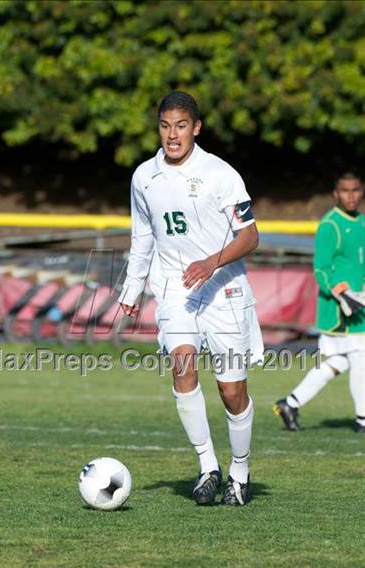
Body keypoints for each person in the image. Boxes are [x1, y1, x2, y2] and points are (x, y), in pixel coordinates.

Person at [119, 91, 263, 506]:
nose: (172, 135)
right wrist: (132, 288)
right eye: (165, 126)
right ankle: (207, 467)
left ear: (196, 128)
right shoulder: (144, 177)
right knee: (182, 367)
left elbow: (250, 236)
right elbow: (142, 236)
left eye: (181, 126)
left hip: (225, 291)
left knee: (231, 391)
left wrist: (211, 262)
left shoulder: (221, 174)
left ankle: (239, 471)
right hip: (175, 289)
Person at [273, 173, 365, 433]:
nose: (350, 195)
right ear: (335, 193)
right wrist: (339, 290)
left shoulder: (361, 223)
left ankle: (290, 403)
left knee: (338, 363)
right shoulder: (330, 225)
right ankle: (362, 420)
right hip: (339, 309)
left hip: (360, 307)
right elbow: (321, 268)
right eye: (345, 191)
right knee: (361, 358)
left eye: (355, 190)